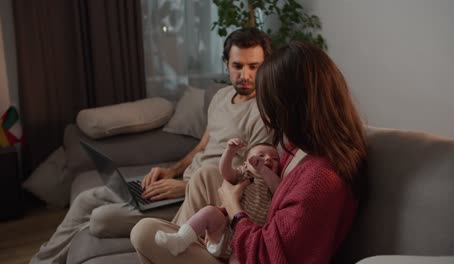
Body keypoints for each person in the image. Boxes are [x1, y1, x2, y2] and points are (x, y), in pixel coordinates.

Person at [30, 27, 273, 264]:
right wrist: (172, 171)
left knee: (100, 220)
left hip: (202, 197)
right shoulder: (221, 97)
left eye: (254, 67)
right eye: (238, 66)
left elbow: (250, 178)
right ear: (226, 64)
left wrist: (184, 187)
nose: (245, 75)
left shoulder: (264, 113)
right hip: (177, 185)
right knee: (85, 200)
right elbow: (201, 147)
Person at [130, 41, 368, 263]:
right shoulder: (300, 147)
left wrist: (233, 206)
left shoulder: (319, 179)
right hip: (245, 234)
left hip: (249, 253)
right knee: (205, 175)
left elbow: (267, 254)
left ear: (289, 106)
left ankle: (174, 247)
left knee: (144, 233)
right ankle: (180, 242)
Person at [154, 138, 280, 260]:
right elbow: (225, 171)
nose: (268, 159)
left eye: (275, 159)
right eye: (261, 156)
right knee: (209, 212)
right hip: (224, 230)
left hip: (245, 241)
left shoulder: (272, 184)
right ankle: (181, 240)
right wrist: (230, 151)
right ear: (246, 164)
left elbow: (279, 190)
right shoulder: (243, 174)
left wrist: (263, 169)